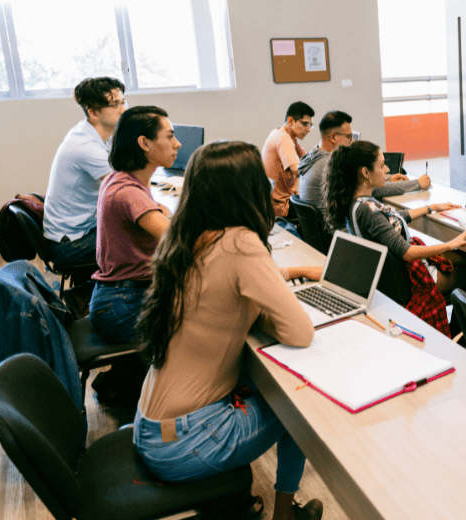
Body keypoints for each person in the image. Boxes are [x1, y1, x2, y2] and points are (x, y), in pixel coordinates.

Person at [133, 141, 325, 520]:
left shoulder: (186, 235)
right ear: (250, 188)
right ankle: (286, 514)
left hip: (152, 427)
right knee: (299, 404)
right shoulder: (240, 241)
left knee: (272, 387)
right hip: (187, 441)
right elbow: (300, 332)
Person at [323, 140, 466, 336]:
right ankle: (458, 334)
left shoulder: (357, 202)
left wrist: (431, 208)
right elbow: (408, 253)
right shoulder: (370, 212)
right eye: (382, 165)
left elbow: (392, 221)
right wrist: (450, 244)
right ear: (365, 172)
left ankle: (458, 332)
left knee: (465, 260)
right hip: (409, 280)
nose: (387, 170)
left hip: (392, 278)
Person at [89, 106, 176, 345]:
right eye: (169, 136)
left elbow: (158, 210)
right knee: (210, 323)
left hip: (117, 297)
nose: (177, 144)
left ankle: (124, 379)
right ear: (144, 143)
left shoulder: (121, 179)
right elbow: (180, 240)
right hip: (123, 306)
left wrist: (160, 211)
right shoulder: (129, 192)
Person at [43, 76, 127, 277]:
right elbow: (125, 190)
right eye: (115, 104)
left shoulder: (95, 134)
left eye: (123, 102)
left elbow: (123, 170)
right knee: (143, 239)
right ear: (94, 112)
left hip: (82, 229)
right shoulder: (85, 147)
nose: (123, 109)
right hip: (70, 246)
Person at [298, 110, 431, 212]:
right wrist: (417, 184)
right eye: (349, 137)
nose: (352, 141)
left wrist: (388, 178)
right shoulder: (330, 165)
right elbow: (370, 189)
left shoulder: (313, 156)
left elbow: (362, 181)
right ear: (333, 137)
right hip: (339, 234)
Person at [262, 101, 315, 222]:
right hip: (280, 206)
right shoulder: (283, 139)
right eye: (305, 124)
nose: (308, 129)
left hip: (277, 201)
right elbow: (298, 170)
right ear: (291, 120)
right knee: (322, 209)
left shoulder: (285, 134)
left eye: (310, 125)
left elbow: (306, 158)